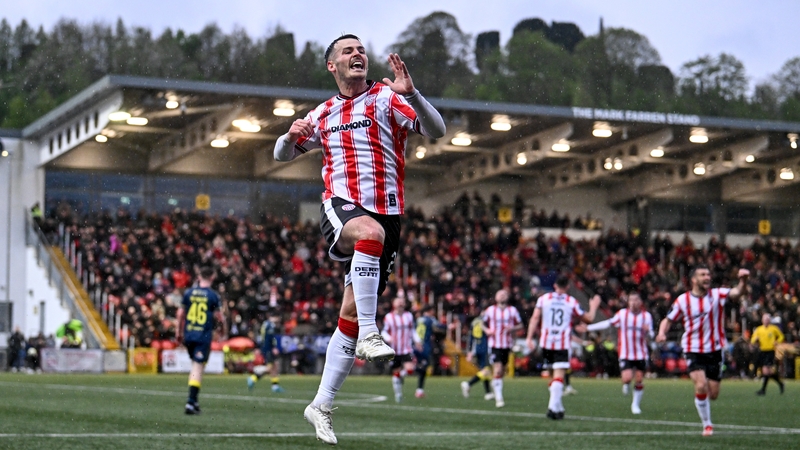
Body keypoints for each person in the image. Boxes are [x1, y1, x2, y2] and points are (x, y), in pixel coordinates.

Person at [273, 33, 445, 445]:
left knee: (348, 313)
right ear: (332, 65)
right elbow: (281, 154)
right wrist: (289, 135)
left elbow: (436, 130)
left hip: (389, 217)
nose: (358, 54)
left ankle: (321, 404)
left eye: (361, 50)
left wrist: (412, 93)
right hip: (343, 206)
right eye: (348, 50)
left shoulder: (387, 98)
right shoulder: (323, 112)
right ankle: (371, 332)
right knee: (368, 234)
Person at [656, 265, 749, 436]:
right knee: (701, 385)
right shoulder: (683, 300)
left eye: (708, 274)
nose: (707, 277)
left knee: (713, 394)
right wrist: (662, 333)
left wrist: (743, 281)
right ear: (693, 279)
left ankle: (703, 406)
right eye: (703, 275)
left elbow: (737, 292)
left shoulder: (717, 294)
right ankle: (707, 424)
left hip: (714, 349)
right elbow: (668, 320)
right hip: (692, 348)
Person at [526, 275, 600, 419]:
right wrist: (594, 306)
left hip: (546, 342)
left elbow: (535, 318)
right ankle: (553, 408)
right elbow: (589, 318)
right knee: (559, 375)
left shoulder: (543, 299)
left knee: (553, 377)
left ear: (555, 286)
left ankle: (558, 408)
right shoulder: (571, 301)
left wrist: (529, 337)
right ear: (567, 287)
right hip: (562, 342)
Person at [586, 292, 654, 414]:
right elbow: (608, 323)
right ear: (628, 302)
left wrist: (648, 331)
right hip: (626, 353)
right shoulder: (622, 314)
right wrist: (589, 328)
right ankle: (626, 384)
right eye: (631, 300)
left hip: (641, 352)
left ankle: (635, 405)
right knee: (627, 378)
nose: (633, 302)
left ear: (640, 302)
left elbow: (652, 335)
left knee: (639, 379)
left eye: (636, 300)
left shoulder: (646, 316)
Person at [176, 267, 226, 415]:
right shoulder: (213, 295)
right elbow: (220, 317)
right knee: (198, 367)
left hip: (189, 334)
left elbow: (180, 314)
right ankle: (190, 402)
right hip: (202, 335)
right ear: (212, 277)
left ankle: (195, 401)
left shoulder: (188, 293)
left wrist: (178, 332)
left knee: (196, 365)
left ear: (199, 277)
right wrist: (223, 330)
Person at [481, 289, 522, 408]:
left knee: (502, 370)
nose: (502, 296)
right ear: (496, 297)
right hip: (494, 344)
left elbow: (520, 324)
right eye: (500, 294)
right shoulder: (490, 310)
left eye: (504, 294)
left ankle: (496, 384)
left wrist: (512, 328)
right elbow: (482, 323)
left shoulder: (512, 310)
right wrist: (487, 330)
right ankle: (499, 399)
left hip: (507, 344)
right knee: (498, 368)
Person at [381, 297, 421, 402]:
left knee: (410, 370)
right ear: (394, 304)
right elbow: (384, 332)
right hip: (394, 350)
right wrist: (389, 338)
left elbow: (412, 330)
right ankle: (398, 395)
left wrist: (417, 340)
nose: (400, 304)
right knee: (396, 372)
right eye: (398, 302)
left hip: (406, 349)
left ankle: (400, 376)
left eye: (402, 302)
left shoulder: (409, 316)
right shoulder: (389, 317)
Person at [247, 310, 284, 393]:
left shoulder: (266, 324)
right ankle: (253, 378)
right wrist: (273, 347)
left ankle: (275, 386)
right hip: (268, 349)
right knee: (270, 368)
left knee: (274, 366)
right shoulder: (269, 325)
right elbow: (269, 338)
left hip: (267, 348)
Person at [414, 305, 446, 399]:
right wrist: (448, 326)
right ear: (430, 311)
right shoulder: (430, 319)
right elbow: (438, 326)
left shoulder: (418, 319)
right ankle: (418, 389)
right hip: (425, 345)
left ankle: (419, 390)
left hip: (415, 344)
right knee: (424, 366)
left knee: (422, 365)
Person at [461, 312, 494, 401]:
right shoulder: (486, 321)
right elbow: (489, 332)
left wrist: (470, 351)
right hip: (485, 348)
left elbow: (471, 338)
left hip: (478, 348)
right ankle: (468, 384)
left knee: (485, 370)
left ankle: (488, 393)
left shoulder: (474, 321)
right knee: (486, 370)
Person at [750, 313, 785, 395]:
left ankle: (763, 390)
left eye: (767, 319)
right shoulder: (759, 329)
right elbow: (752, 340)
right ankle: (780, 383)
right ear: (762, 320)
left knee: (765, 370)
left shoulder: (773, 328)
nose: (766, 321)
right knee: (768, 372)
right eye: (764, 319)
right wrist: (755, 339)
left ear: (769, 320)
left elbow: (781, 336)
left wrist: (777, 342)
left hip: (770, 351)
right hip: (762, 351)